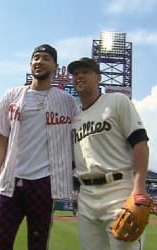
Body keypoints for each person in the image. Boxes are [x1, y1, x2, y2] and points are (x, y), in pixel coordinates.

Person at [0, 44, 80, 250]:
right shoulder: (12, 95)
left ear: (55, 66)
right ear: (30, 63)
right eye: (36, 57)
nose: (40, 61)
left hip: (44, 184)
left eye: (46, 58)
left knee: (38, 245)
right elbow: (1, 139)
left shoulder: (68, 102)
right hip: (9, 182)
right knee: (0, 244)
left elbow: (80, 138)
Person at [67, 57, 149, 250]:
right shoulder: (75, 119)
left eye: (85, 72)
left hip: (118, 190)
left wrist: (139, 188)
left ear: (98, 77)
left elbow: (140, 143)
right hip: (86, 195)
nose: (79, 76)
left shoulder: (116, 101)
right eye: (75, 73)